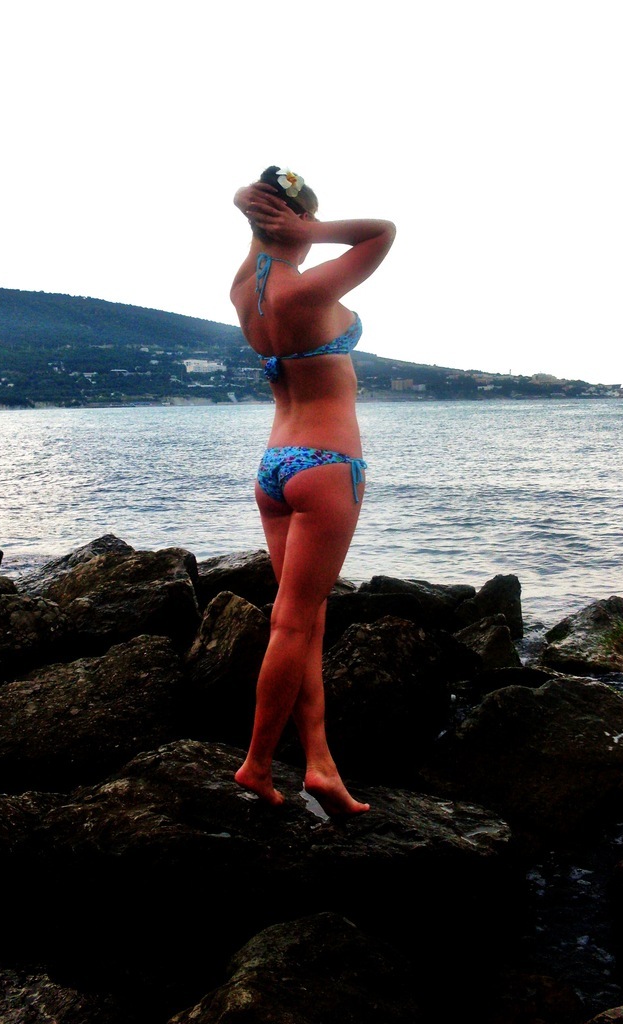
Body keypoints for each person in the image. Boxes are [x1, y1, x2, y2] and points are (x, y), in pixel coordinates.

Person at [229, 165, 395, 815]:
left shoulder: (246, 288)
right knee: (293, 622)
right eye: (304, 220)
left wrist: (256, 212)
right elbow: (382, 232)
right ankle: (257, 764)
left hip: (275, 466)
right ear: (295, 220)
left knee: (304, 623)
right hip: (326, 465)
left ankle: (320, 764)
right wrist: (313, 230)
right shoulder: (306, 289)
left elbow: (259, 236)